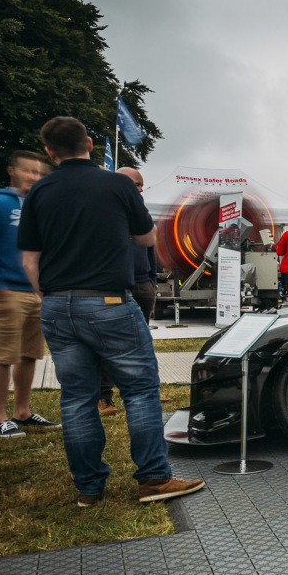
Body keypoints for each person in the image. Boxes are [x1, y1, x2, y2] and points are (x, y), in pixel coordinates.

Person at [18, 116, 204, 507]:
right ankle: (153, 479)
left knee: (76, 398)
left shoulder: (40, 191)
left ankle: (89, 489)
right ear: (88, 142)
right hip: (108, 302)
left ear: (50, 152)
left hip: (56, 303)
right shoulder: (118, 184)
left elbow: (29, 260)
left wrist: (51, 296)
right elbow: (146, 237)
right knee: (138, 391)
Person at [0, 152, 61, 438]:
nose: (34, 177)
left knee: (30, 356)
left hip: (35, 294)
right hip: (7, 291)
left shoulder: (39, 206)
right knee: (4, 356)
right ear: (12, 171)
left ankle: (22, 411)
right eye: (28, 171)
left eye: (39, 172)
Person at [98, 167, 162, 416]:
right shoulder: (104, 212)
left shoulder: (141, 213)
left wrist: (151, 280)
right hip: (115, 287)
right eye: (137, 184)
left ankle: (146, 394)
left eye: (142, 184)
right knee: (110, 343)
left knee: (142, 343)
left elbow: (150, 248)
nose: (141, 189)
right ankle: (104, 398)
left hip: (143, 284)